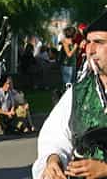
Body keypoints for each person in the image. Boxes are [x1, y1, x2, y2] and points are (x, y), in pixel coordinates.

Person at [32, 14, 107, 179]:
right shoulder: (77, 93)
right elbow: (55, 136)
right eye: (88, 42)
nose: (90, 49)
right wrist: (53, 161)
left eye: (99, 42)